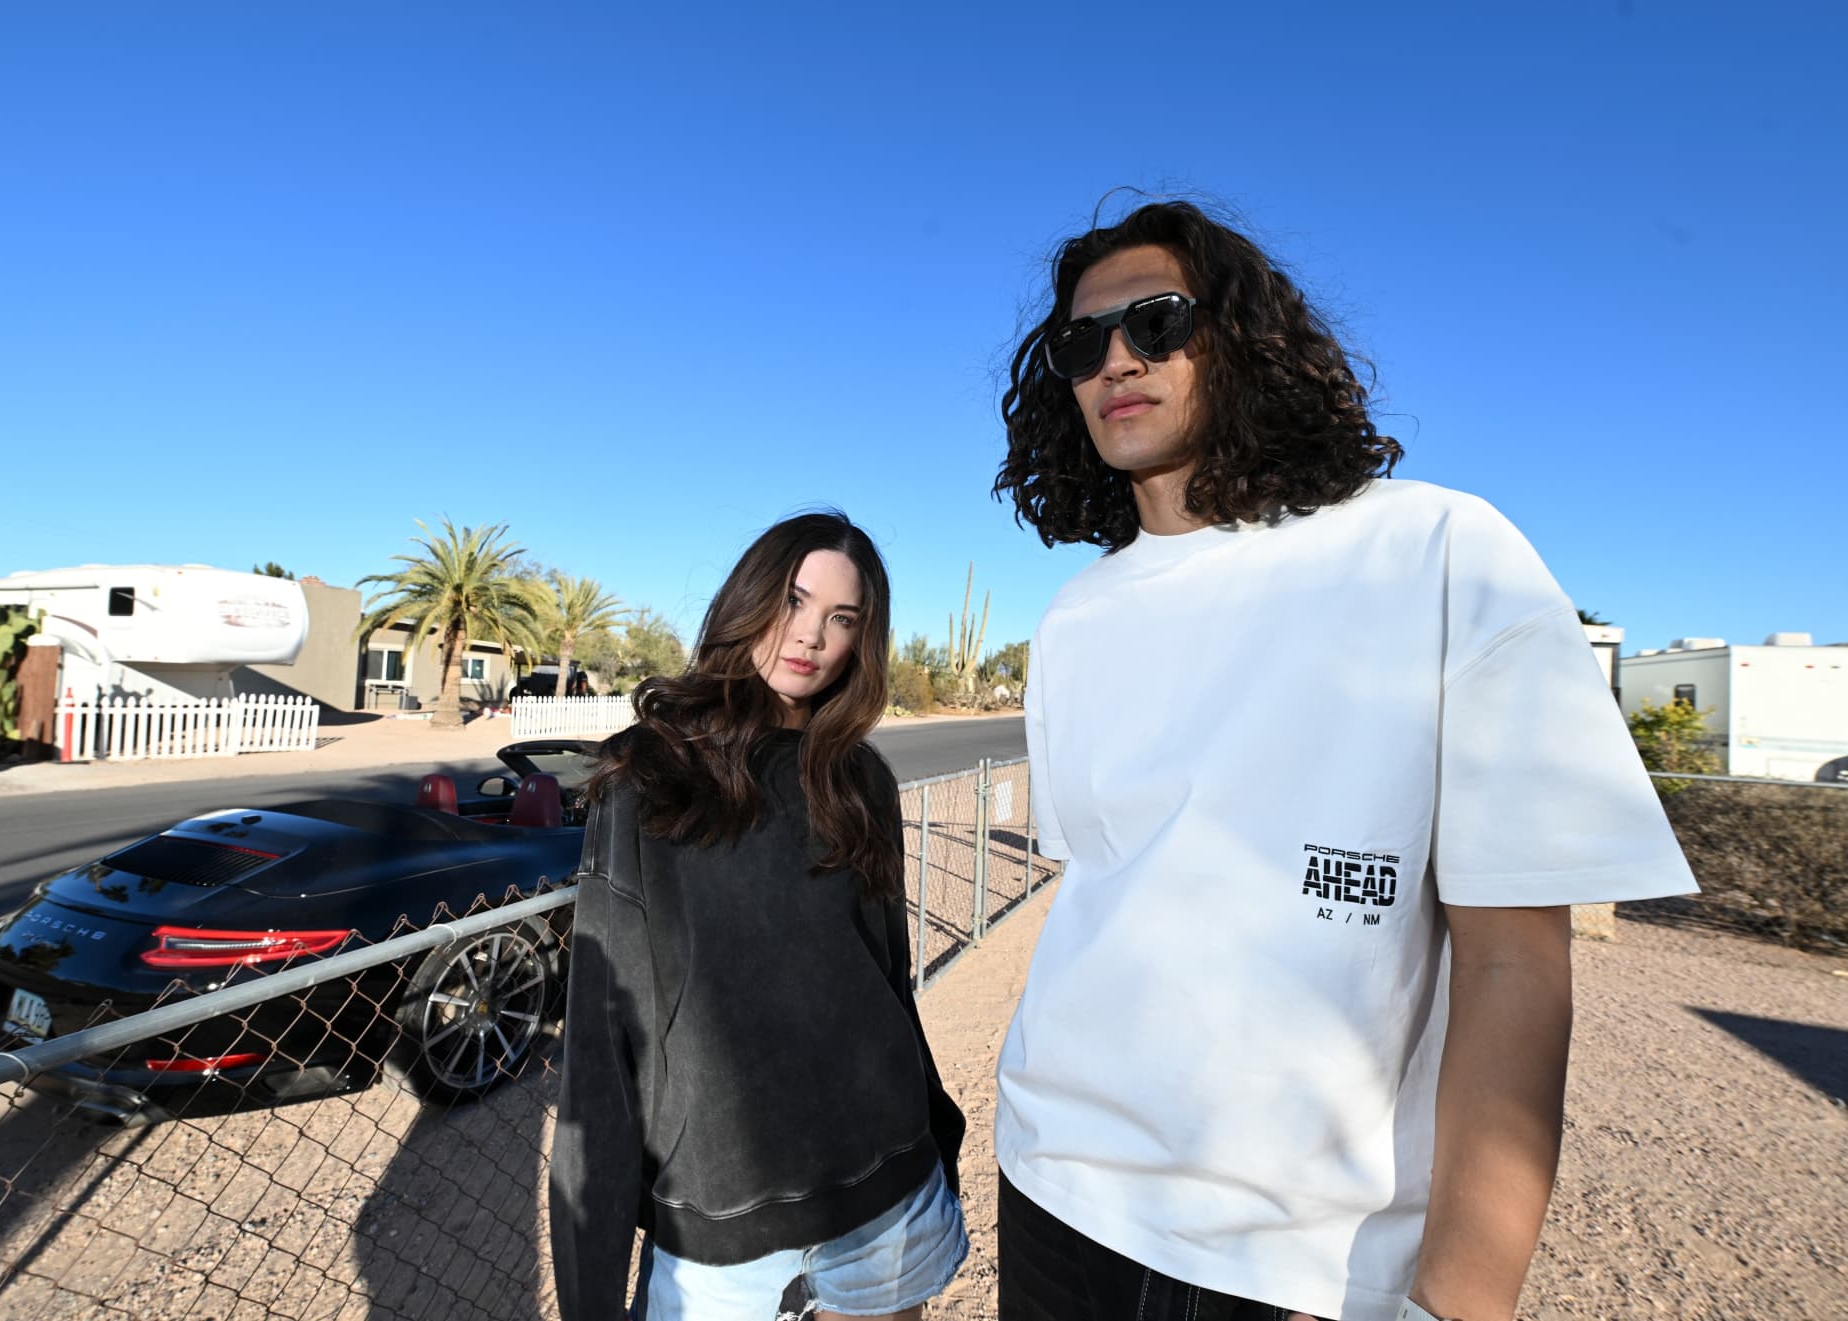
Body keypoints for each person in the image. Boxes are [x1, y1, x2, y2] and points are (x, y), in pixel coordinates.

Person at [989, 200, 1697, 1321]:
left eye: (1157, 323)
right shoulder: (1075, 618)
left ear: (1242, 339)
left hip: (1304, 1264)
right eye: (1082, 342)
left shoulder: (1438, 549)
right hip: (1050, 1187)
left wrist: (1458, 1300)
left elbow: (1515, 964)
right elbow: (1105, 891)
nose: (1116, 358)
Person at [550, 511, 968, 1321]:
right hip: (718, 1230)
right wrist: (589, 1286)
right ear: (747, 599)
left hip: (884, 1196)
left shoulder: (859, 781)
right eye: (792, 600)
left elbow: (887, 979)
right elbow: (602, 1038)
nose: (809, 635)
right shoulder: (649, 774)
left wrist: (937, 1136)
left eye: (841, 619)